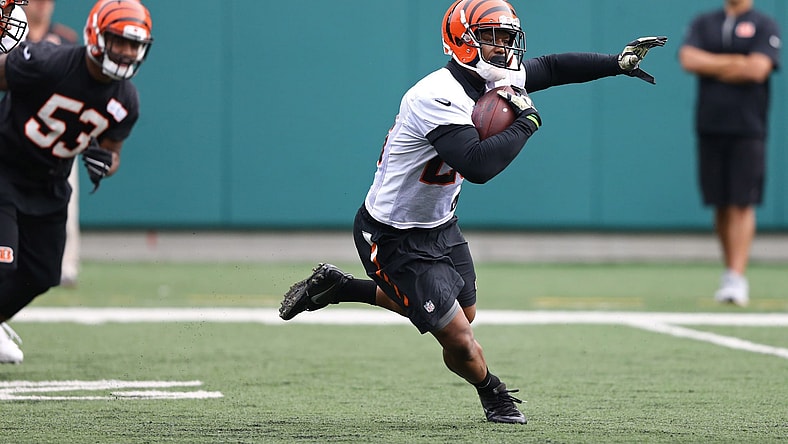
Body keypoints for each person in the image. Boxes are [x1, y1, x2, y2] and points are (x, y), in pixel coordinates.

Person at [279, 0, 666, 424]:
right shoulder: (434, 95)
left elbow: (552, 68)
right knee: (459, 338)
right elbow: (478, 166)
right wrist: (527, 122)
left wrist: (616, 63)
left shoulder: (495, 75)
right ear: (460, 41)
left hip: (440, 225)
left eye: (507, 36)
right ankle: (493, 392)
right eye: (491, 36)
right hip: (392, 235)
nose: (503, 47)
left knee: (462, 314)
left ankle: (339, 287)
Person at [0, 0, 153, 364]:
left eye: (134, 44)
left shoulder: (126, 100)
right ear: (96, 36)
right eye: (119, 41)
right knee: (3, 262)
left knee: (42, 275)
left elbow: (112, 152)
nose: (126, 51)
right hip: (5, 166)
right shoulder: (48, 63)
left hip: (50, 182)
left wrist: (106, 164)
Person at [679, 0, 780, 307]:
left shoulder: (764, 24)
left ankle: (737, 276)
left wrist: (713, 64)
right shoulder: (704, 22)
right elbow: (688, 59)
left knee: (741, 202)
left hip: (748, 128)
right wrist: (735, 61)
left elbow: (758, 69)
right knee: (720, 204)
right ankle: (729, 272)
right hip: (710, 125)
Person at [22, 0, 80, 288]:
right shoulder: (11, 35)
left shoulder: (65, 38)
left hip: (58, 137)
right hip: (18, 133)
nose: (43, 5)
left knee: (64, 201)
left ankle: (66, 265)